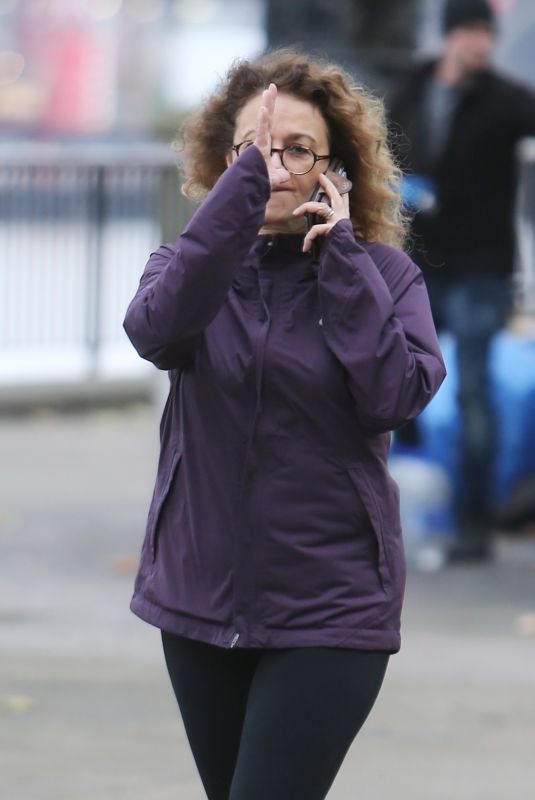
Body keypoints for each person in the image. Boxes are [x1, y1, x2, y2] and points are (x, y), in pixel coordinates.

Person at [123, 50, 445, 800]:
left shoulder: (384, 277)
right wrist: (231, 212)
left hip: (330, 605)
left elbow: (394, 395)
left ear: (335, 167)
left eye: (296, 148)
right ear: (222, 160)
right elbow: (158, 334)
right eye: (252, 150)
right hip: (198, 601)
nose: (272, 166)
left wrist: (339, 261)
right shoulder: (186, 268)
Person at [387, 0, 535, 561]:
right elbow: (374, 148)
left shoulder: (507, 99)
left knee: (473, 391)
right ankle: (396, 502)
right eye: (472, 33)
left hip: (482, 268)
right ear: (449, 37)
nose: (482, 45)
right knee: (394, 378)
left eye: (487, 35)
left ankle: (474, 523)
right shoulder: (409, 91)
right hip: (420, 263)